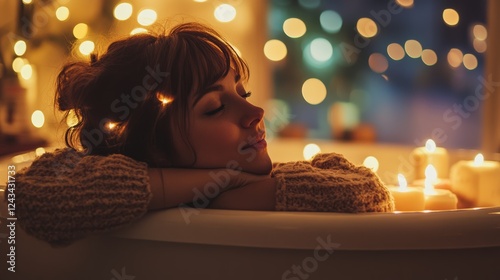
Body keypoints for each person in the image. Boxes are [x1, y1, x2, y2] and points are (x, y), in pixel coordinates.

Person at [12, 22, 394, 247]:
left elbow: (365, 193)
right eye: (215, 107)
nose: (256, 113)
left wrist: (220, 191)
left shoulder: (269, 176)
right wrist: (215, 185)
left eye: (241, 94)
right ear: (155, 146)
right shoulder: (95, 182)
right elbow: (32, 198)